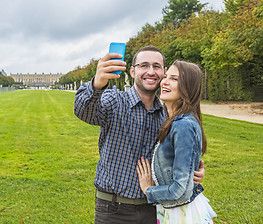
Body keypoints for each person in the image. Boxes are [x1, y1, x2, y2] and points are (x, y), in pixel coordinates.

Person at [74, 46, 205, 224]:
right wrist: (97, 83)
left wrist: (192, 172)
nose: (150, 71)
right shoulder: (114, 101)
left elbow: (178, 159)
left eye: (157, 66)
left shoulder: (169, 116)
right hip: (113, 209)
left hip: (155, 208)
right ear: (133, 71)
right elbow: (84, 111)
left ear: (163, 73)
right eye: (144, 65)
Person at [136, 60, 217, 223]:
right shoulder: (176, 120)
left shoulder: (182, 125)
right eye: (166, 76)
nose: (164, 82)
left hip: (182, 214)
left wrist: (148, 190)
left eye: (174, 79)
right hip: (174, 210)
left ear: (188, 87)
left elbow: (182, 190)